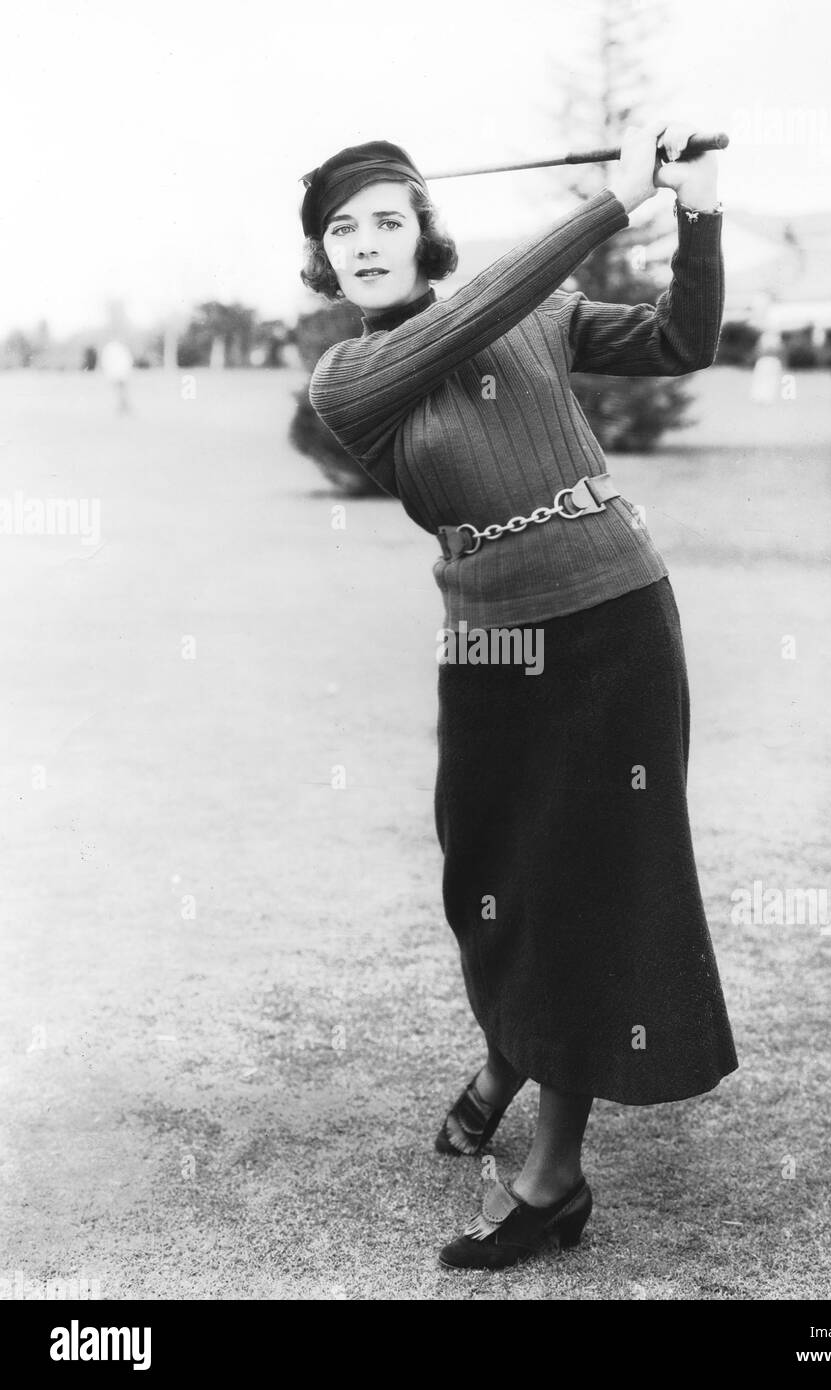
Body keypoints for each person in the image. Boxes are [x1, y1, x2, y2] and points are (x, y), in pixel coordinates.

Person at [301, 124, 738, 1271]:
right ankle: (509, 1054)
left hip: (615, 619)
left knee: (580, 885)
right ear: (324, 260)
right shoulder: (350, 378)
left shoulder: (531, 309)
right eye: (341, 230)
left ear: (425, 229)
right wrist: (612, 201)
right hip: (491, 648)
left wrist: (693, 209)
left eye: (387, 218)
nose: (363, 243)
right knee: (488, 875)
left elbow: (685, 340)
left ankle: (554, 1180)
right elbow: (469, 318)